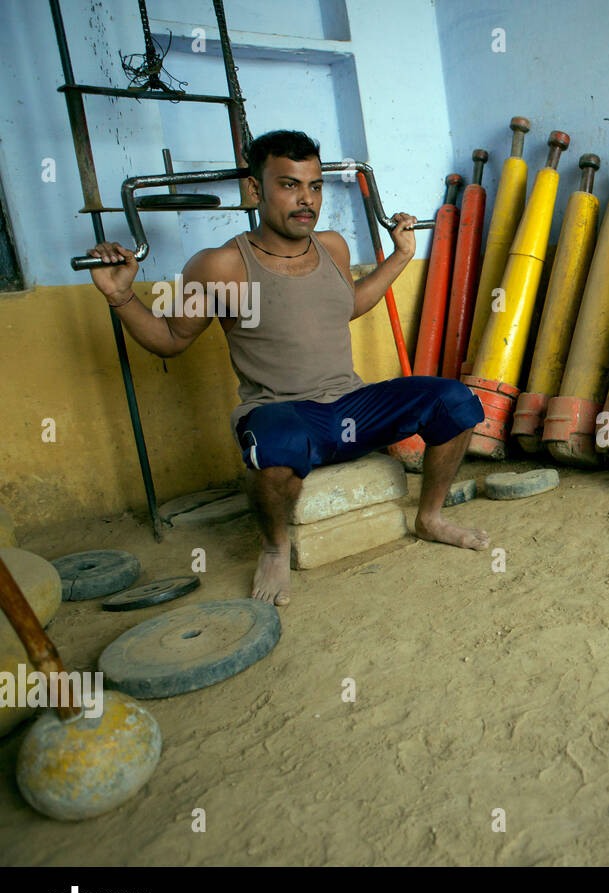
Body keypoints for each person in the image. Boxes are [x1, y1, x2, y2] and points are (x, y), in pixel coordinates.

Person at [86, 130, 489, 607]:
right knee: (273, 444)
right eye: (289, 185)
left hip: (352, 406)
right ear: (255, 191)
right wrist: (120, 296)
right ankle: (275, 549)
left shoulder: (333, 247)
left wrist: (402, 256)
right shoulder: (220, 266)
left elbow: (348, 305)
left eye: (315, 186)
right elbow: (171, 339)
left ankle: (431, 518)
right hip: (284, 411)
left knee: (455, 400)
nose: (306, 200)